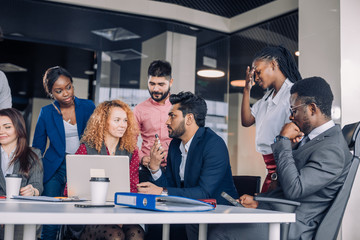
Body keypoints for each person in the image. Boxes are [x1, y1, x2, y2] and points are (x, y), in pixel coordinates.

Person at [205, 77, 352, 240]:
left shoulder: (333, 148)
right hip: (282, 215)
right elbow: (286, 184)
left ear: (311, 109)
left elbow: (295, 189)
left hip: (295, 227)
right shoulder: (312, 140)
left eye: (294, 110)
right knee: (215, 224)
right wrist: (258, 202)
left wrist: (282, 141)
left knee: (220, 233)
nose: (290, 117)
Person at [138, 92, 238, 240]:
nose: (167, 121)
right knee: (156, 227)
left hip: (220, 213)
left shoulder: (213, 144)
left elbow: (204, 193)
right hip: (189, 210)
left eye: (172, 116)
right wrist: (155, 168)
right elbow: (171, 186)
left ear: (189, 119)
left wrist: (160, 191)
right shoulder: (175, 145)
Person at [63, 99, 144, 240]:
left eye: (125, 120)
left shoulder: (131, 151)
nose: (122, 125)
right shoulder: (86, 148)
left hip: (120, 212)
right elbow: (70, 190)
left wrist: (119, 216)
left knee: (136, 233)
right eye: (117, 120)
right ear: (103, 122)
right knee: (115, 235)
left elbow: (132, 188)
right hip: (90, 217)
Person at [32, 66, 95, 239]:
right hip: (55, 169)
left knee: (78, 220)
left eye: (69, 87)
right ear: (51, 93)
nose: (66, 93)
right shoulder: (46, 112)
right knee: (51, 220)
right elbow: (37, 147)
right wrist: (34, 176)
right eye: (59, 91)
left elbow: (98, 137)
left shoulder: (88, 107)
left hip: (82, 167)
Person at [241, 46, 302, 193]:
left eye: (258, 72)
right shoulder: (267, 98)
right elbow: (246, 120)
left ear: (274, 64)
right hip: (270, 168)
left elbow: (296, 136)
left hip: (284, 167)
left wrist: (277, 174)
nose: (255, 78)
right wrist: (246, 89)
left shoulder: (293, 93)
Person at [0, 108, 43, 239]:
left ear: (19, 128)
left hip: (22, 213)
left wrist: (32, 191)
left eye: (7, 127)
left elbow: (37, 186)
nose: (1, 131)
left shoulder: (33, 155)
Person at [133, 60, 173, 182]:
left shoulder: (178, 106)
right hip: (147, 169)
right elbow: (129, 141)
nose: (155, 89)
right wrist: (141, 158)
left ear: (170, 82)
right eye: (152, 84)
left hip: (174, 168)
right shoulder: (139, 109)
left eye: (161, 84)